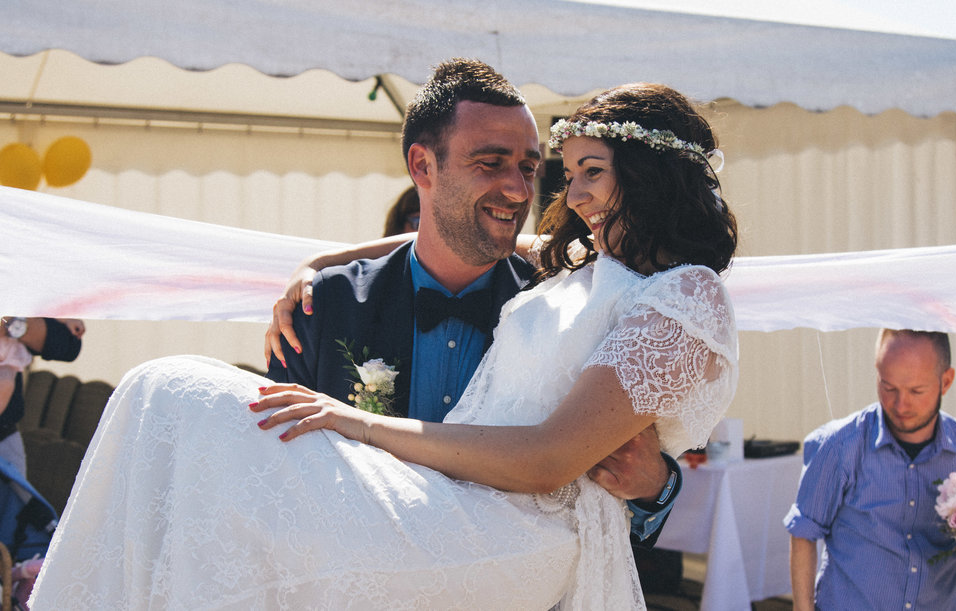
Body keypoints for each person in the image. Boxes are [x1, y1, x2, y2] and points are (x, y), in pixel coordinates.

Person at [31, 80, 738, 609]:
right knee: (163, 391)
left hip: (511, 532)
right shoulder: (575, 266)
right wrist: (318, 263)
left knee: (178, 389)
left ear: (646, 179)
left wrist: (353, 419)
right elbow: (439, 232)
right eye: (569, 171)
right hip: (432, 504)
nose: (560, 192)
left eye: (589, 171)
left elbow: (560, 458)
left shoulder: (680, 294)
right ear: (422, 170)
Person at [264, 58, 680, 546]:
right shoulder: (325, 306)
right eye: (490, 163)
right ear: (423, 165)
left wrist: (657, 487)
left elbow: (613, 501)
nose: (519, 189)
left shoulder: (576, 305)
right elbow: (275, 483)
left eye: (528, 167)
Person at [784, 329, 956, 610]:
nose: (900, 404)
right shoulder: (838, 446)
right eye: (888, 387)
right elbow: (803, 533)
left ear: (946, 381)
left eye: (916, 391)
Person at [0, 317, 84, 476]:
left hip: (4, 438)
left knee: (17, 499)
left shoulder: (16, 296)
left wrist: (64, 320)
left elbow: (68, 343)